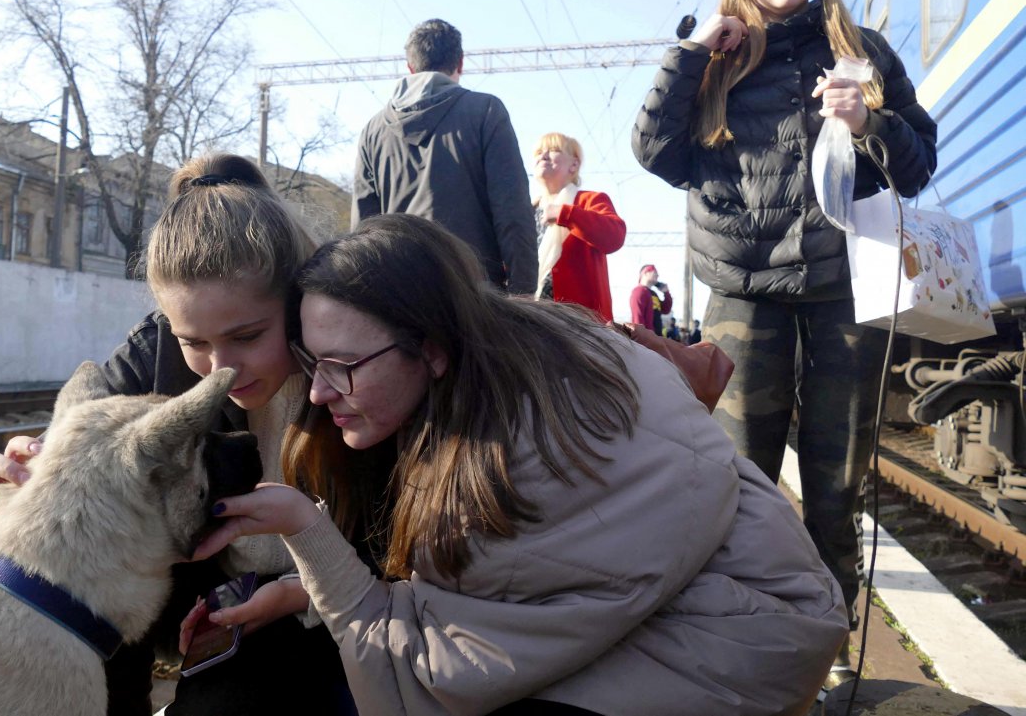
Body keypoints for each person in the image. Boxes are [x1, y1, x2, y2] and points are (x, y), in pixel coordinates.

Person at [189, 214, 849, 716]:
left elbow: (425, 679)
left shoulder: (507, 466)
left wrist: (308, 535)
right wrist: (302, 591)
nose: (320, 391)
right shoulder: (518, 345)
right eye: (313, 362)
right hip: (758, 594)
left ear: (433, 347)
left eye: (343, 366)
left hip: (744, 645)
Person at [631, 0, 937, 680]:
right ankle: (742, 649)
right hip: (741, 292)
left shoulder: (858, 49)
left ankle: (830, 654)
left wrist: (870, 122)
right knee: (739, 483)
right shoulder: (720, 58)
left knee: (836, 488)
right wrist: (693, 53)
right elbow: (653, 152)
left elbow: (921, 161)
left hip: (842, 289)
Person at [0, 154, 356, 716]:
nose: (223, 367)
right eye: (194, 341)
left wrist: (303, 592)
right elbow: (65, 490)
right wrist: (3, 514)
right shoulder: (153, 354)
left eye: (247, 336)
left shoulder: (352, 359)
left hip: (329, 613)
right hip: (195, 606)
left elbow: (404, 550)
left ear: (297, 305)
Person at [352, 18, 538, 294]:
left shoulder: (373, 131)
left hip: (399, 298)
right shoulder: (486, 112)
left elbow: (362, 231)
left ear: (410, 67)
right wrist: (522, 297)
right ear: (460, 63)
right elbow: (513, 212)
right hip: (474, 297)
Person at [531, 132, 626, 322]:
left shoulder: (589, 200)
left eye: (554, 150)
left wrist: (565, 214)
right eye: (539, 151)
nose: (543, 155)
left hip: (582, 326)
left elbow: (614, 237)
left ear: (574, 165)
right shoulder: (528, 210)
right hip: (535, 319)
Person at [628, 264, 671, 332]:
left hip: (656, 337)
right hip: (647, 338)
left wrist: (666, 293)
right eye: (655, 272)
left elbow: (666, 310)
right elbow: (638, 318)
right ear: (645, 273)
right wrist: (644, 337)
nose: (657, 275)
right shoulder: (639, 291)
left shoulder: (653, 294)